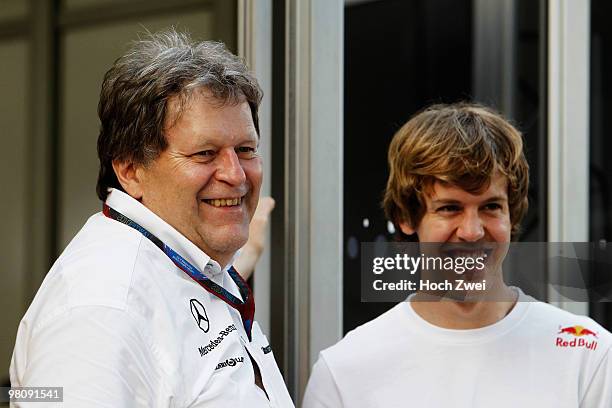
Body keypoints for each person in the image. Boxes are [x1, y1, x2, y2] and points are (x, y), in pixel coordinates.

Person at [10, 29, 293, 407]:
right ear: (130, 170)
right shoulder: (102, 306)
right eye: (204, 154)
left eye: (245, 149)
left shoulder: (191, 264)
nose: (236, 175)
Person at [302, 103, 612, 407]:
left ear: (511, 214)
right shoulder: (345, 372)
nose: (472, 231)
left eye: (491, 207)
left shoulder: (587, 356)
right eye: (450, 208)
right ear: (407, 219)